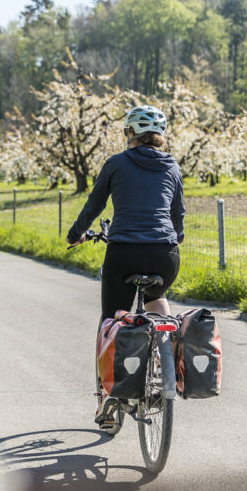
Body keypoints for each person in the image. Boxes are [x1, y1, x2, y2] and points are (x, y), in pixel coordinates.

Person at [66, 105, 185, 428]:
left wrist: (75, 234)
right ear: (160, 135)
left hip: (124, 252)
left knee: (110, 320)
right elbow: (178, 215)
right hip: (165, 253)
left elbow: (95, 204)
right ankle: (166, 362)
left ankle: (107, 399)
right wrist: (176, 238)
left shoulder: (116, 163)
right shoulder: (172, 166)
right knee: (158, 301)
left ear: (129, 134)